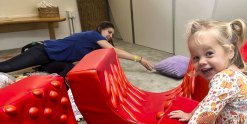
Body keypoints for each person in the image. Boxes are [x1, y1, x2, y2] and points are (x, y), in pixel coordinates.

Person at [0, 21, 154, 79]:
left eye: (112, 34)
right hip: (43, 51)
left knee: (69, 71)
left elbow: (108, 57)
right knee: (7, 67)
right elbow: (115, 51)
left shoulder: (96, 45)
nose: (110, 36)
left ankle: (51, 85)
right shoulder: (93, 35)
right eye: (109, 32)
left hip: (53, 60)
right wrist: (139, 59)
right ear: (100, 29)